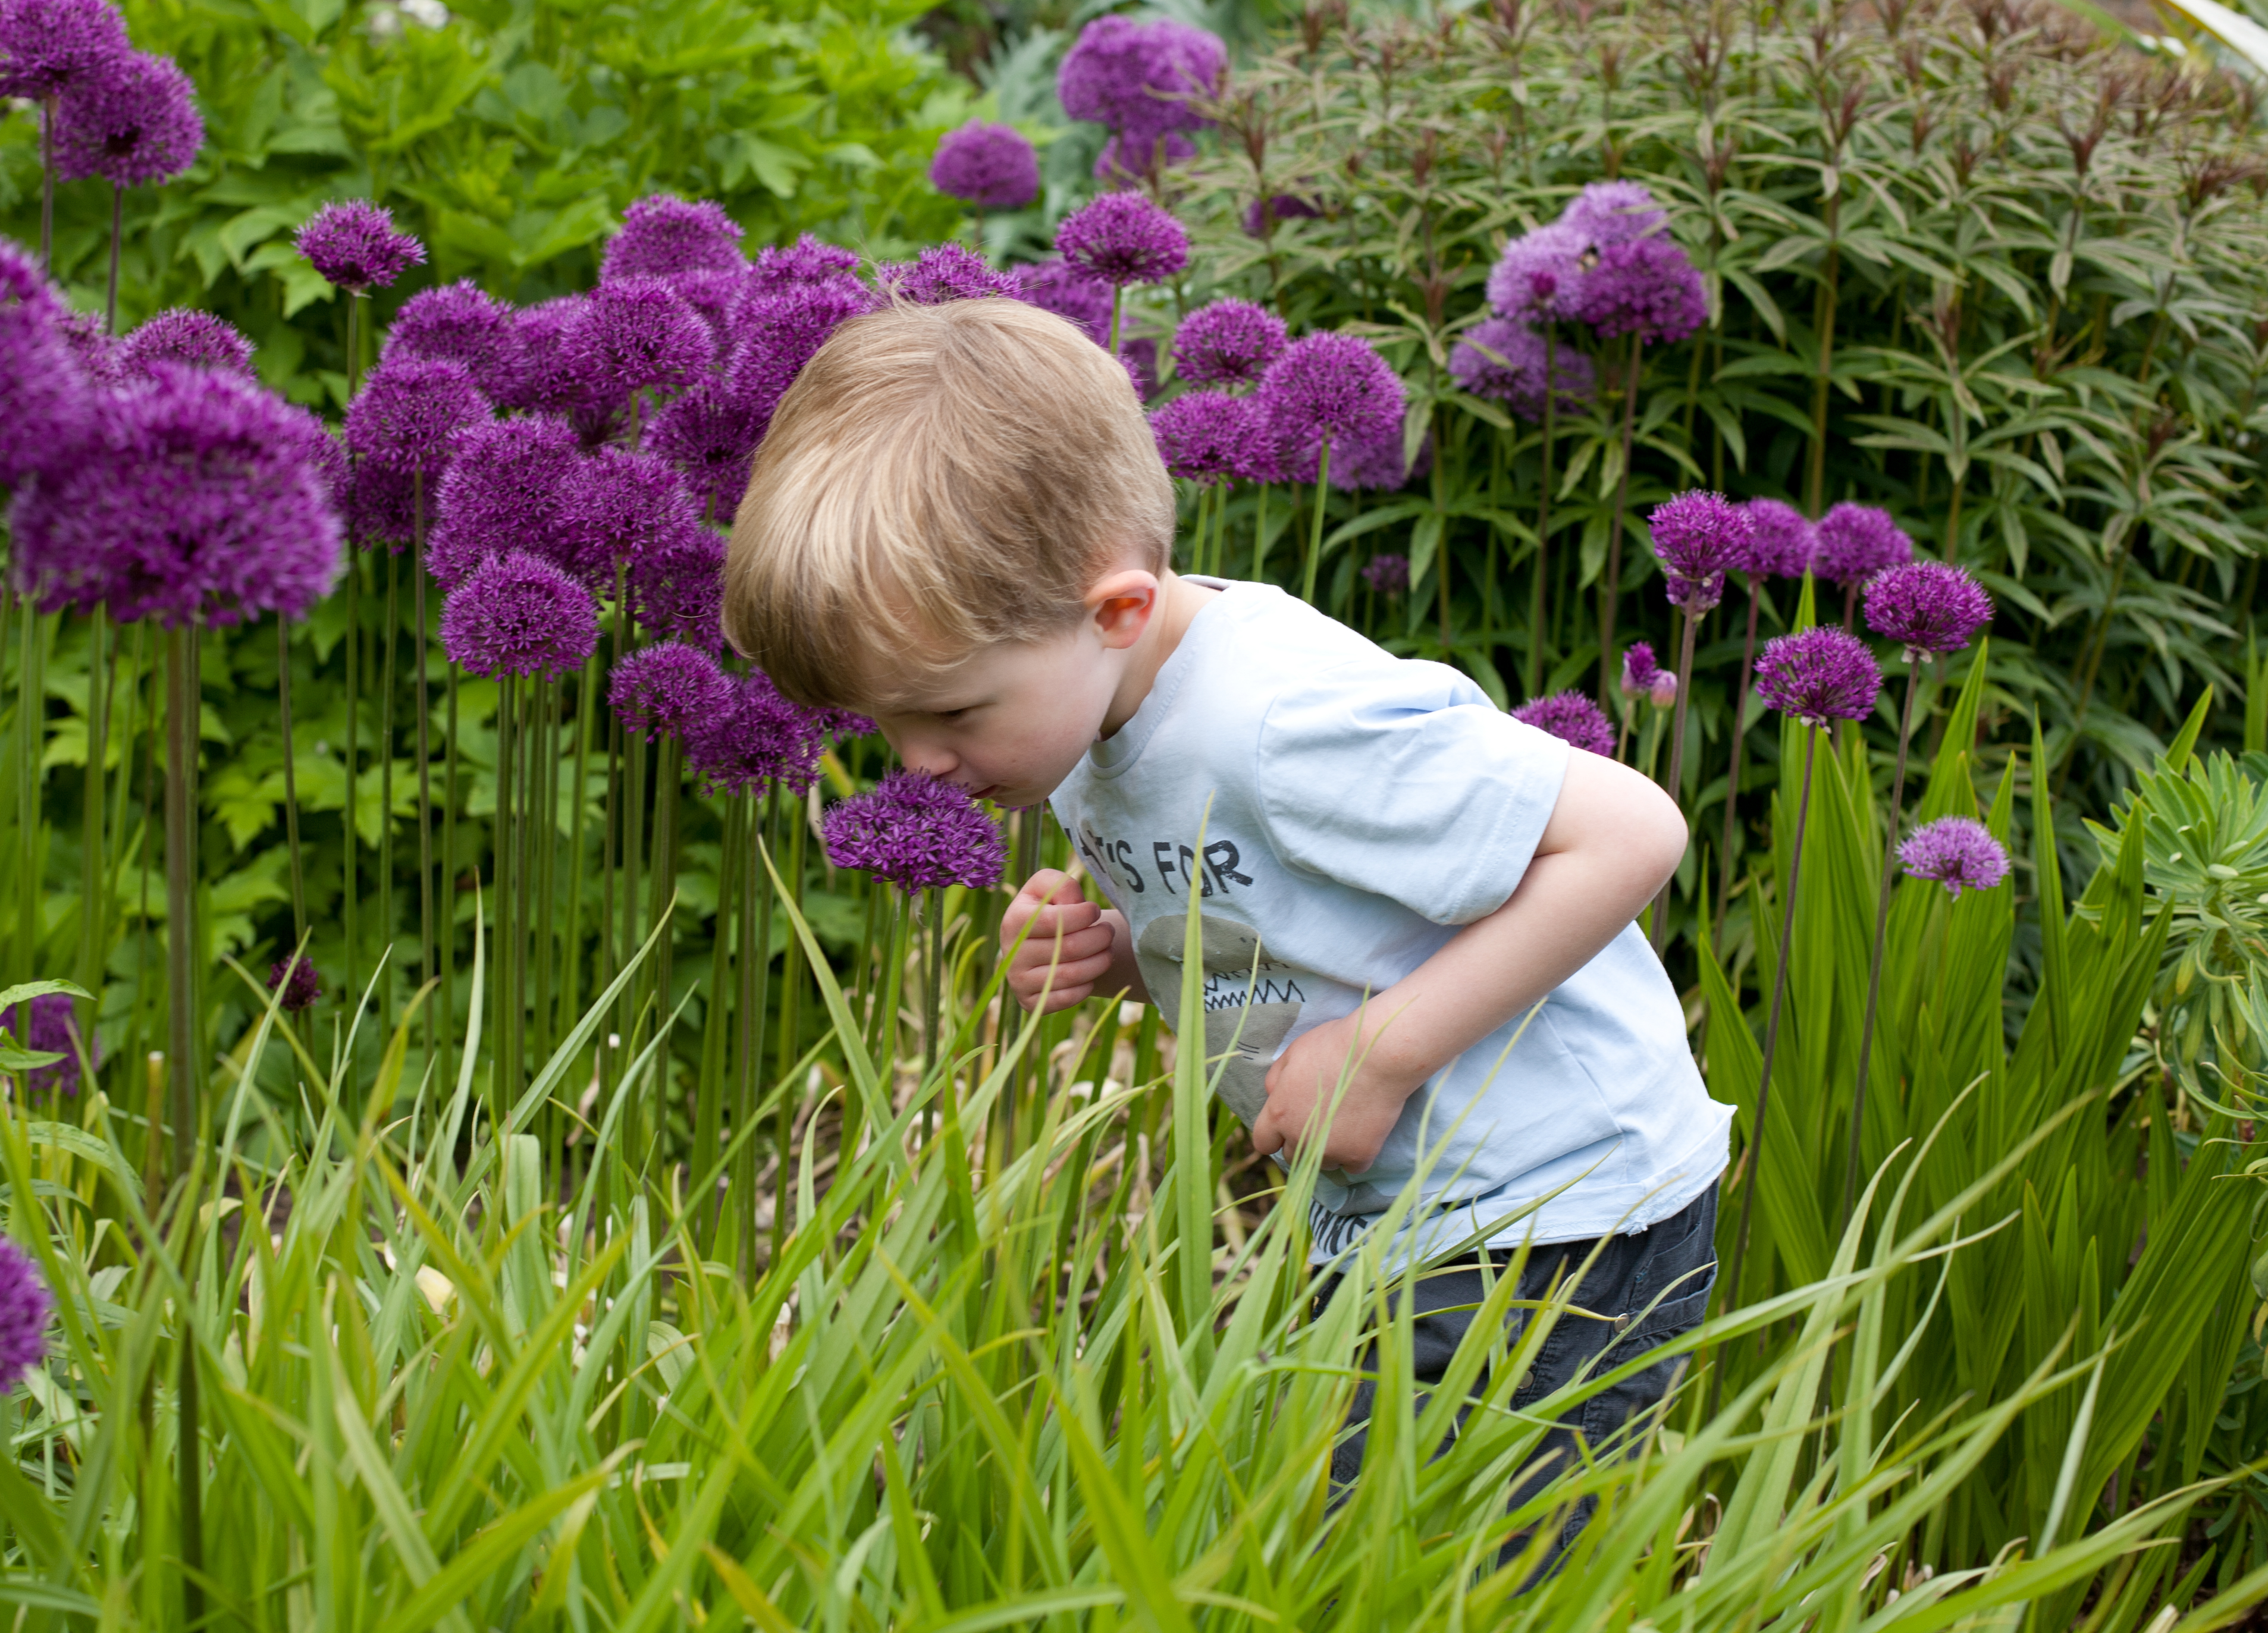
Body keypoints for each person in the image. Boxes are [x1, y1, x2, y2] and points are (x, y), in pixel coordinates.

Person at [721, 293, 1730, 1510]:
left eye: (949, 713)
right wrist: (1119, 957)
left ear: (1118, 610)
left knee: (1460, 1558)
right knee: (1357, 1535)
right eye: (885, 721)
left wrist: (1382, 1048)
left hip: (1562, 1208)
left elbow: (1634, 833)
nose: (916, 759)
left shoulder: (1277, 722)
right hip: (1406, 1212)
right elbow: (1263, 935)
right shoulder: (1096, 713)